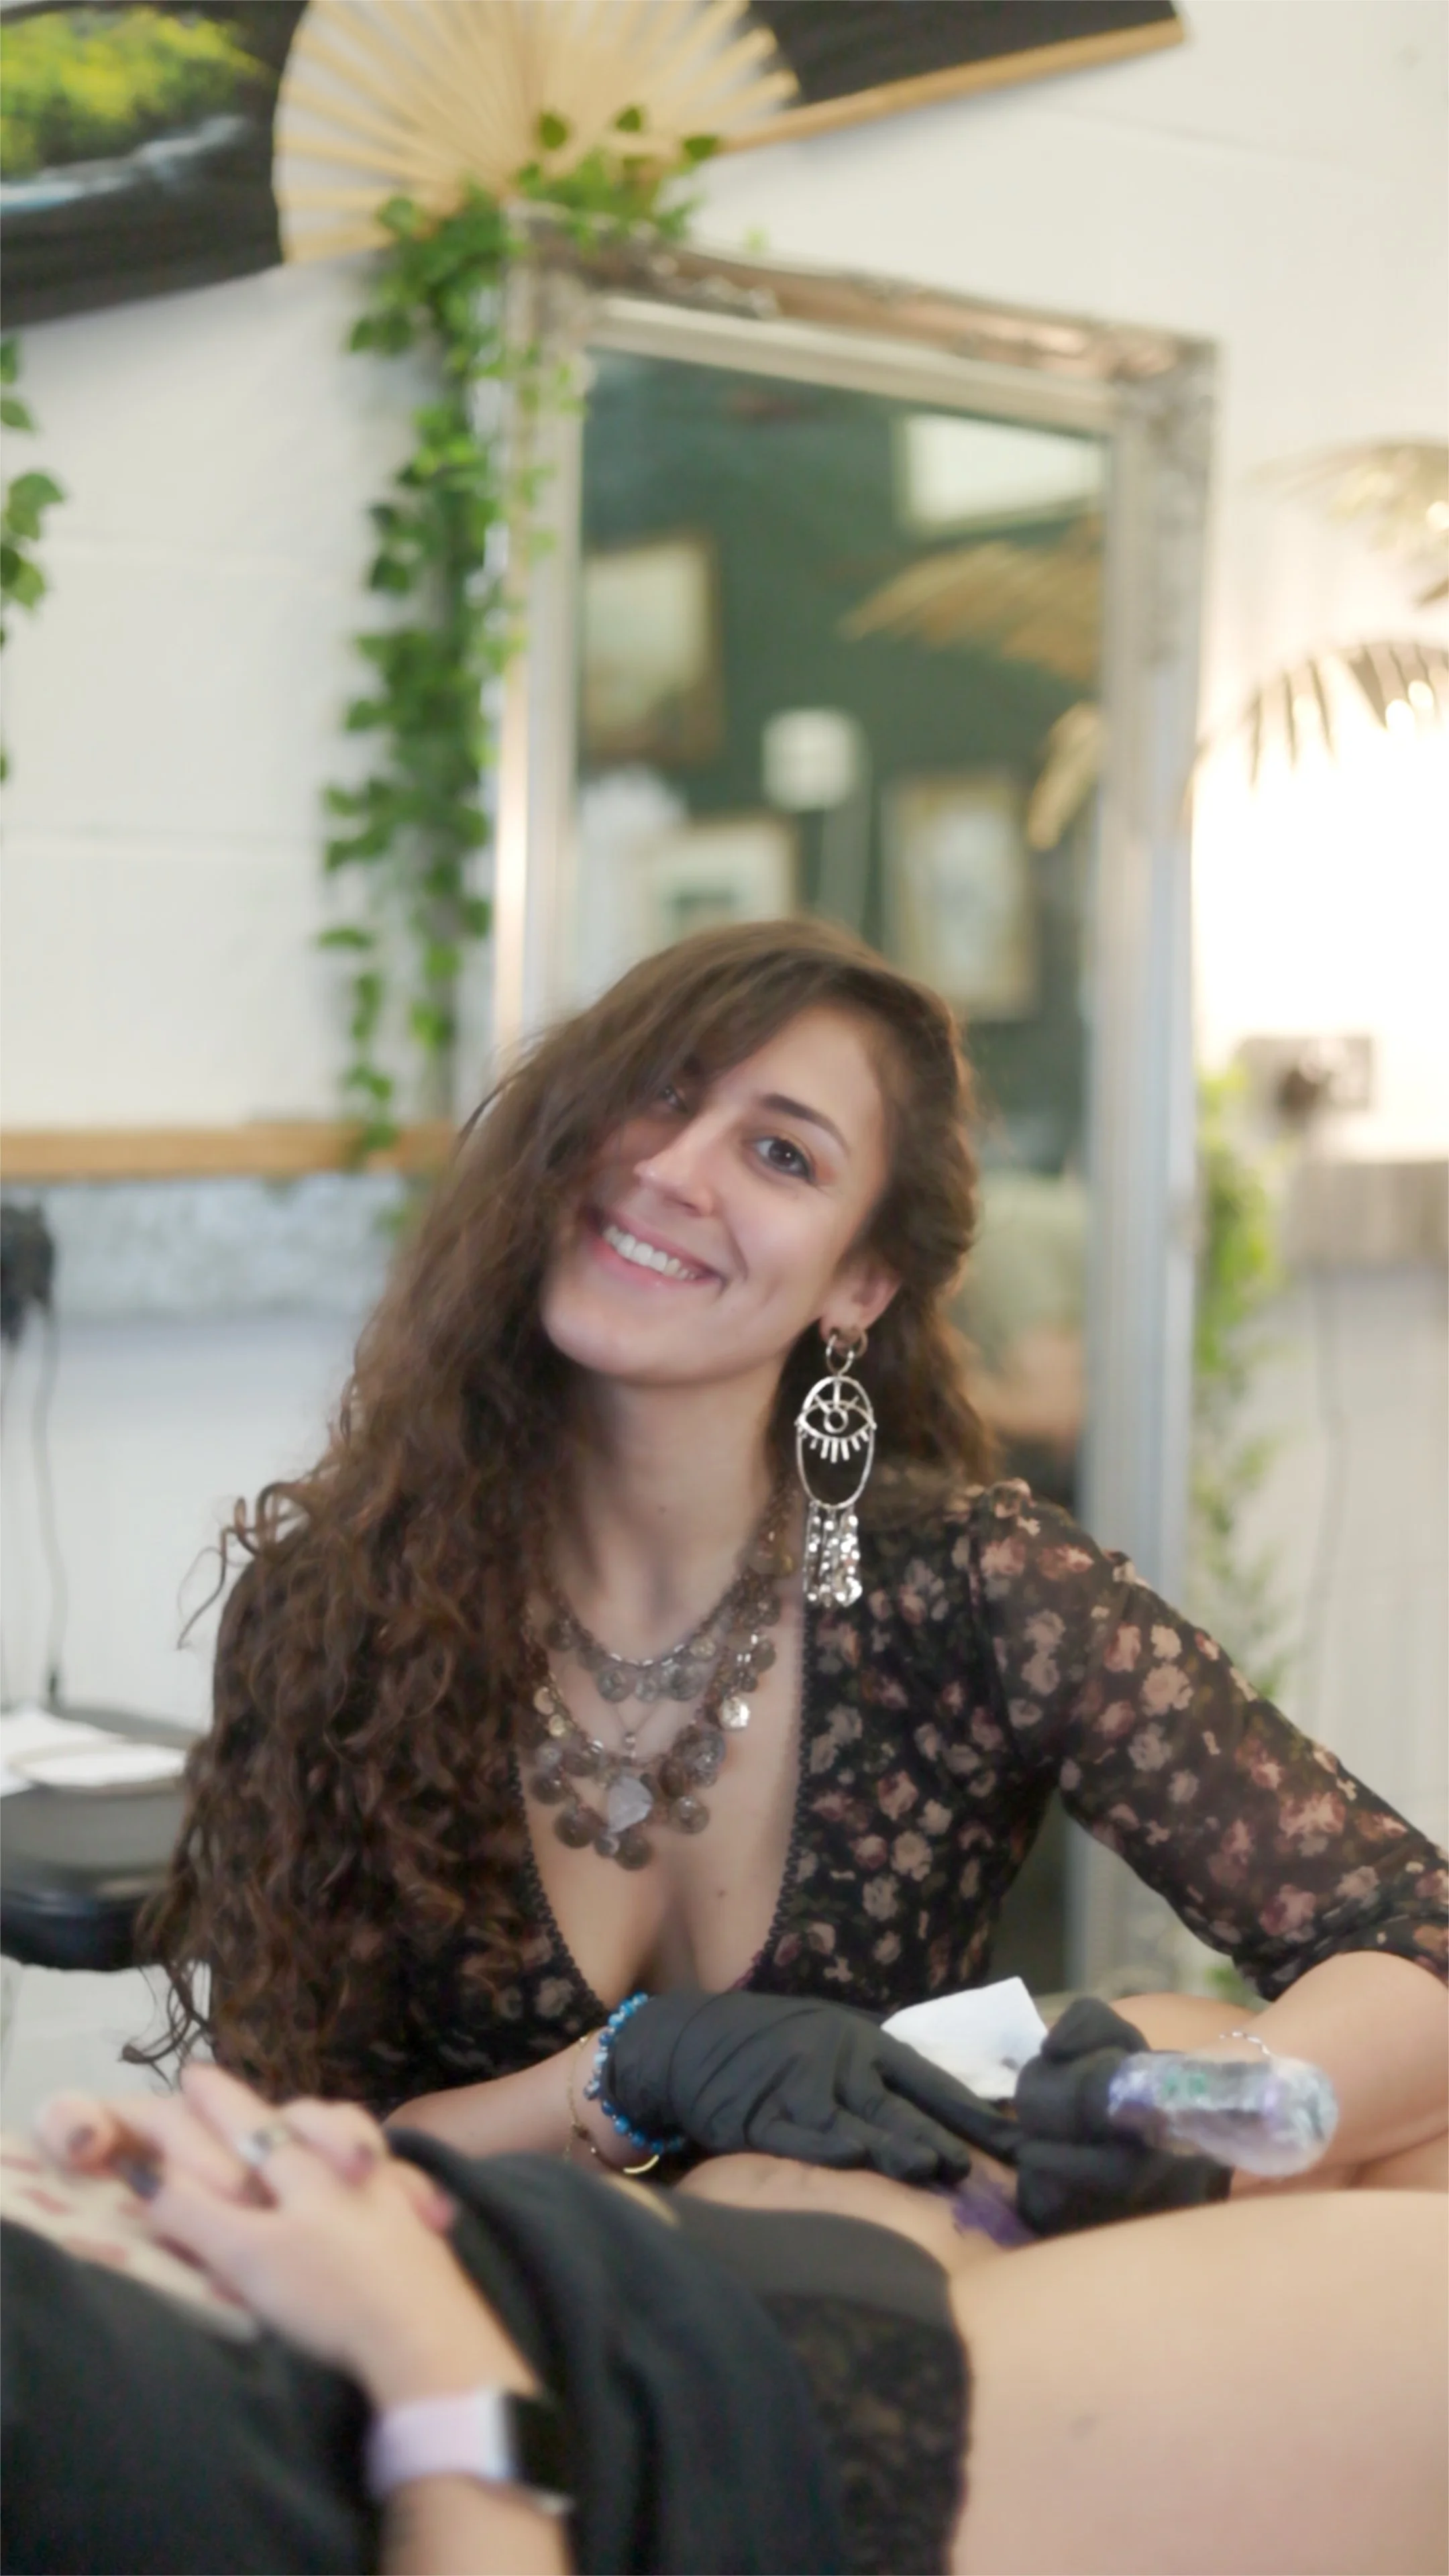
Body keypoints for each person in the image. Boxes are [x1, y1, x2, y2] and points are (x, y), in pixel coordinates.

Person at [135, 919, 1446, 2192]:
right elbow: (279, 2163)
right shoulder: (340, 1610)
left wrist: (1174, 2119)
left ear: (858, 1285)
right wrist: (619, 2082)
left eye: (779, 1153)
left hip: (881, 2328)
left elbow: (1417, 1946)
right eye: (656, 1097)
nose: (676, 1169)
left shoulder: (980, 1591)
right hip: (495, 2341)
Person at [7, 2058, 1446, 2575]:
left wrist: (88, 2204)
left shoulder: (962, 1581)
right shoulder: (354, 1605)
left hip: (700, 2282)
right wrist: (418, 2337)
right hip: (782, 2450)